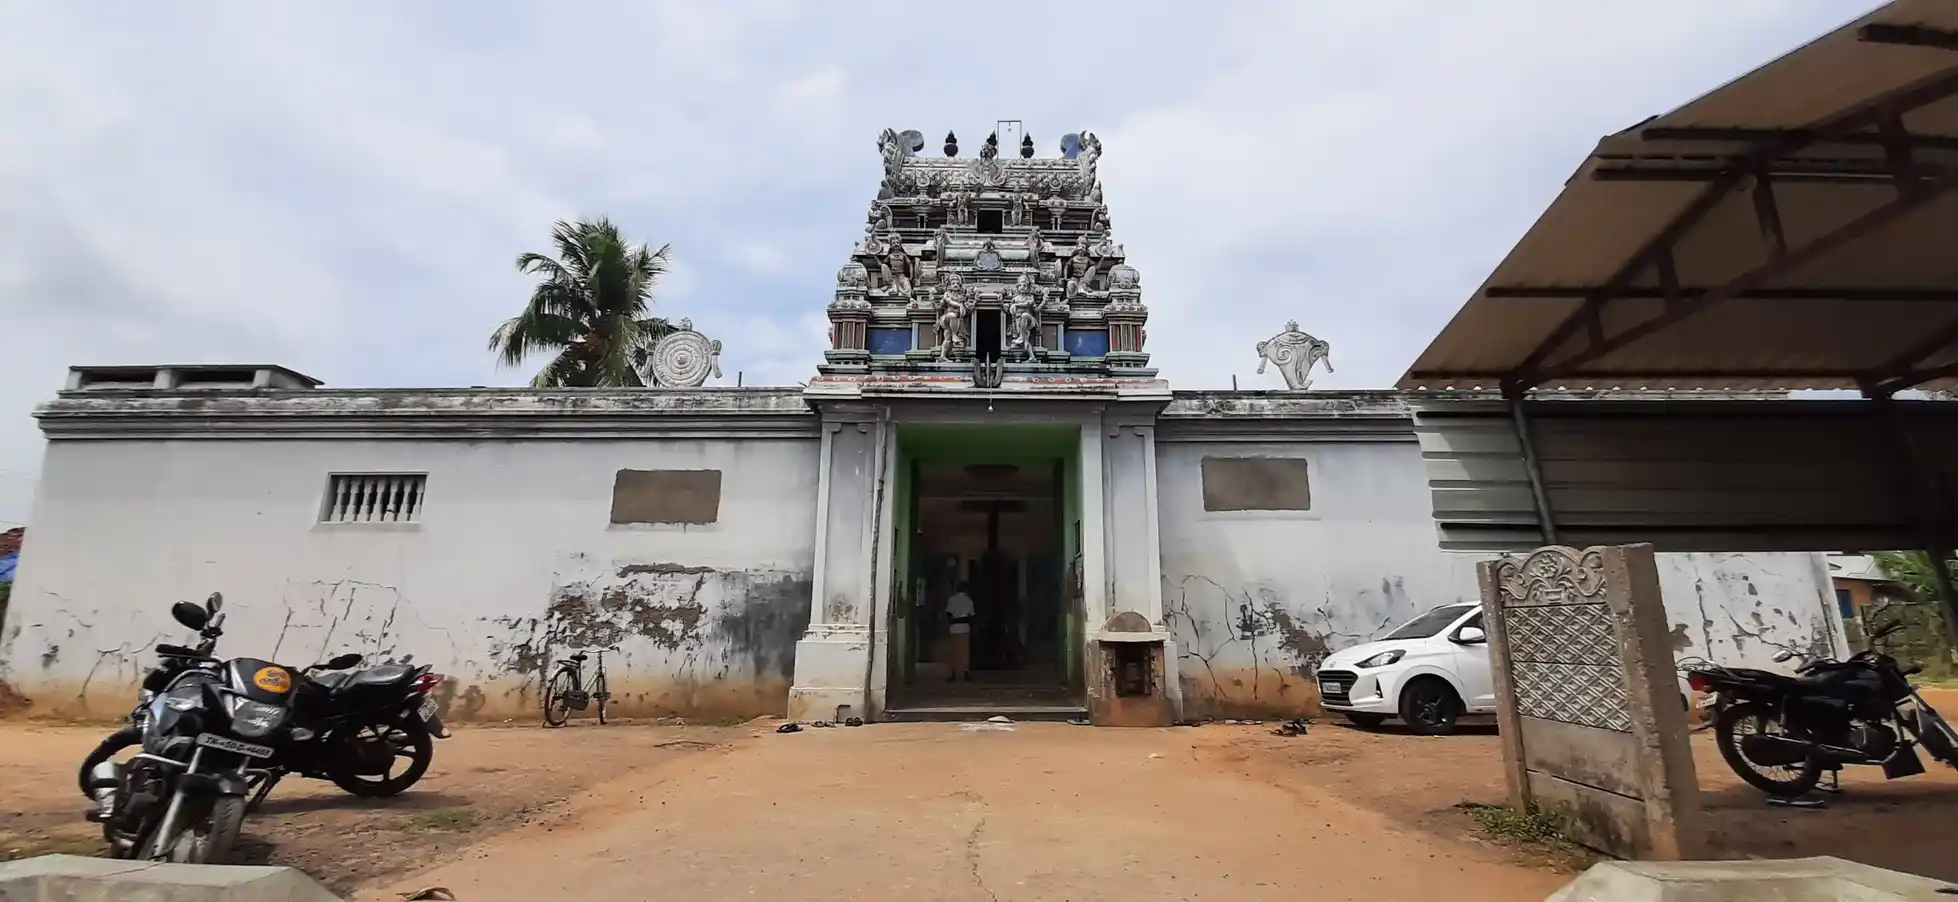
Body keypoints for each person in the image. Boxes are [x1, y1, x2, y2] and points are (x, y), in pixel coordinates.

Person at [945, 582, 975, 682]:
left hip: (954, 627)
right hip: (964, 627)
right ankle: (965, 672)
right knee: (964, 652)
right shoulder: (968, 601)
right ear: (966, 590)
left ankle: (954, 673)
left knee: (954, 651)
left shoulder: (952, 599)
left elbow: (948, 614)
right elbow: (971, 615)